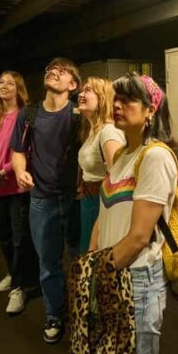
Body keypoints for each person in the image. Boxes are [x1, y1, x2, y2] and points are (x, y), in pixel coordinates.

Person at [91, 73, 178, 354]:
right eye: (115, 99)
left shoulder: (154, 156)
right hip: (115, 270)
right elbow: (105, 217)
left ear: (150, 110)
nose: (117, 105)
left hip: (138, 280)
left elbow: (140, 236)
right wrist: (92, 262)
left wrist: (103, 272)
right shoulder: (123, 156)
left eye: (127, 100)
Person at [10, 57, 81, 344]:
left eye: (63, 71)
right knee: (48, 263)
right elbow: (17, 150)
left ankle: (83, 314)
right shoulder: (28, 114)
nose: (54, 71)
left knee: (80, 260)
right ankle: (55, 314)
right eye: (51, 68)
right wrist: (19, 171)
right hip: (41, 200)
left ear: (72, 85)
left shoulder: (78, 114)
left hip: (74, 199)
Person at [0, 70, 39, 315]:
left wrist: (1, 173)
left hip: (16, 186)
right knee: (2, 235)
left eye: (10, 83)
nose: (4, 86)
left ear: (18, 89)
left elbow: (28, 152)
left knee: (20, 238)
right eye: (1, 82)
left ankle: (20, 287)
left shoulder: (24, 117)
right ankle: (15, 273)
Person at [77, 76, 125, 254]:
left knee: (96, 256)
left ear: (103, 98)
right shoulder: (93, 130)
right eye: (81, 90)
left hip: (102, 205)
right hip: (89, 202)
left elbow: (119, 182)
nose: (81, 94)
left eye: (88, 90)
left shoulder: (108, 133)